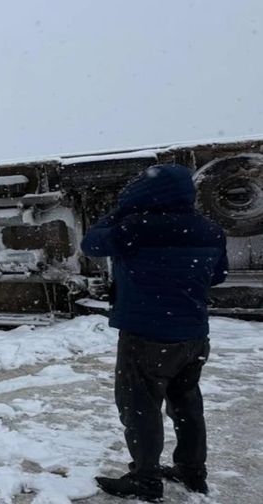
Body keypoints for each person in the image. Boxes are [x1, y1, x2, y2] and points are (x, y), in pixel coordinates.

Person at [81, 164, 228, 502]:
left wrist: (118, 212)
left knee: (140, 407)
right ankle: (192, 472)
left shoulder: (135, 227)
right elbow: (217, 276)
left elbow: (92, 243)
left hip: (145, 335)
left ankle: (145, 479)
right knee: (187, 404)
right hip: (194, 336)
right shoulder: (211, 229)